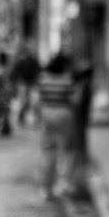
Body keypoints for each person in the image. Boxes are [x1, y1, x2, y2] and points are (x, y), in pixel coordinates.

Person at [38, 52, 76, 201]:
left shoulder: (43, 79)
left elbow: (40, 100)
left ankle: (46, 188)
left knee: (48, 152)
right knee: (67, 150)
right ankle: (64, 184)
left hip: (47, 114)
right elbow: (73, 99)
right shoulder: (67, 80)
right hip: (64, 115)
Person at [10, 45, 41, 126]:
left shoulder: (31, 61)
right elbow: (15, 73)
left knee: (30, 101)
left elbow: (37, 72)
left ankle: (23, 117)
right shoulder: (23, 61)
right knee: (25, 101)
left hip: (28, 83)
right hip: (24, 83)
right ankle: (21, 117)